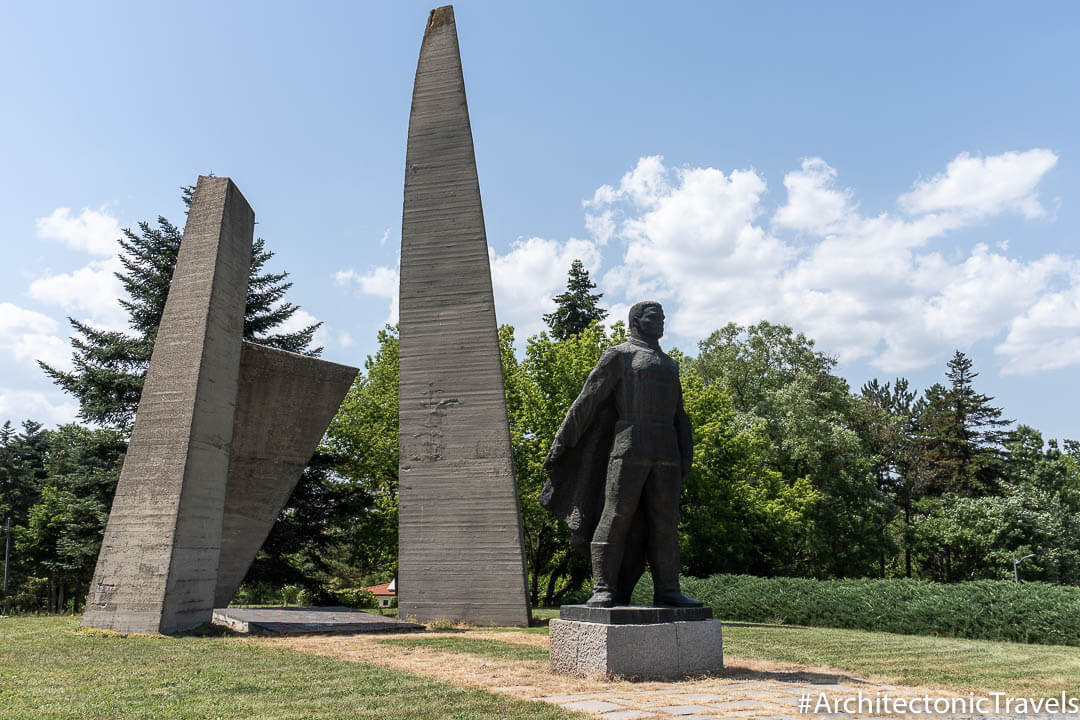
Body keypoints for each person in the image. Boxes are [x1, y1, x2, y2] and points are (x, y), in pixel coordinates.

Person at [541, 301, 702, 608]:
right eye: (655, 318)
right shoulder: (619, 355)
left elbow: (680, 414)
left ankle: (668, 590)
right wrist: (562, 441)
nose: (662, 322)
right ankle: (603, 589)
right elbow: (586, 402)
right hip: (629, 447)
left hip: (666, 449)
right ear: (636, 321)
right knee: (616, 515)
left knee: (665, 521)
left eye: (664, 318)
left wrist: (686, 453)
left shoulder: (670, 364)